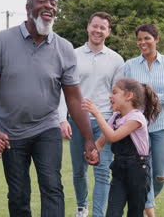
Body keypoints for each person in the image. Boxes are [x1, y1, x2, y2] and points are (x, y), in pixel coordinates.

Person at [0, 0, 98, 217]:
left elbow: (73, 98)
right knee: (18, 194)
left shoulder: (63, 48)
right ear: (27, 9)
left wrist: (88, 139)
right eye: (42, 1)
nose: (49, 6)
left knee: (52, 186)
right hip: (10, 133)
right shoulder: (2, 40)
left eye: (53, 3)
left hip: (47, 128)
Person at [58, 12, 124, 217]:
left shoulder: (116, 60)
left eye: (103, 27)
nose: (98, 30)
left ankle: (97, 214)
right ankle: (81, 208)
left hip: (104, 122)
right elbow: (62, 90)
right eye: (95, 26)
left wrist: (113, 123)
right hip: (77, 121)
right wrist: (62, 119)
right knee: (79, 170)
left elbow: (118, 97)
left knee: (102, 171)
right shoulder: (73, 55)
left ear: (108, 32)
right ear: (88, 27)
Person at [124, 23, 164, 217]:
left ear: (156, 39)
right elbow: (124, 95)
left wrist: (152, 97)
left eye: (147, 38)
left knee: (160, 174)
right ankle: (149, 211)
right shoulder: (130, 65)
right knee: (143, 173)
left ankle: (145, 200)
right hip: (138, 127)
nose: (143, 42)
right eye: (140, 39)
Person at [81, 78, 162, 217]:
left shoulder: (136, 118)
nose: (110, 96)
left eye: (114, 92)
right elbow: (100, 143)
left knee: (135, 212)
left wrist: (97, 114)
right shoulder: (115, 117)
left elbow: (113, 137)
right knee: (113, 211)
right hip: (119, 170)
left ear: (128, 96)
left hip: (138, 171)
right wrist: (92, 154)